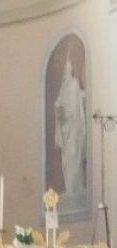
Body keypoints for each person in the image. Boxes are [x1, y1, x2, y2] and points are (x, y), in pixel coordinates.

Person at [53, 49, 87, 197]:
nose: (67, 71)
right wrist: (61, 113)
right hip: (66, 129)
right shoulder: (63, 89)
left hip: (74, 129)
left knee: (75, 157)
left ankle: (76, 188)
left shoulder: (74, 84)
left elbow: (82, 97)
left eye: (69, 68)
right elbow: (57, 106)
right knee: (66, 160)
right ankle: (70, 189)